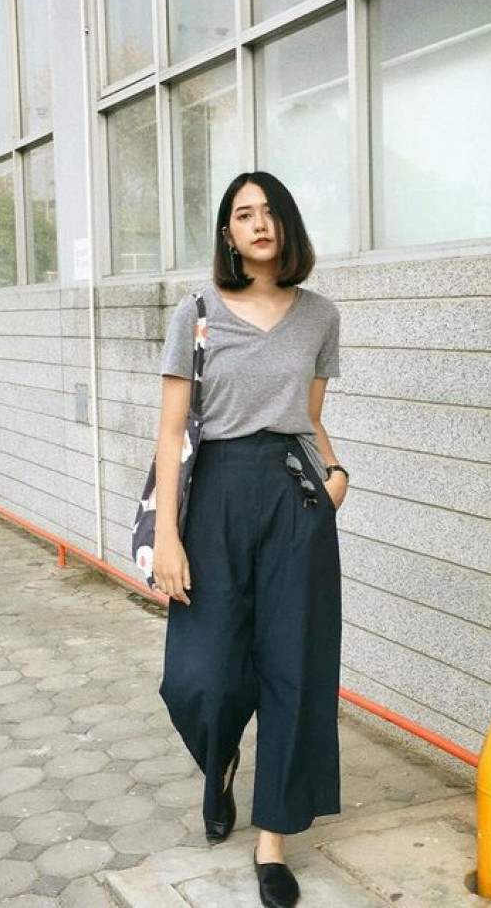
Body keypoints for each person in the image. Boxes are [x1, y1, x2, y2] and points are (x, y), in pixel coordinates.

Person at [152, 170, 348, 908]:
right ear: (228, 235)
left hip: (296, 495)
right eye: (243, 213)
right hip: (218, 496)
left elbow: (309, 415)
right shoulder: (197, 312)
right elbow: (172, 433)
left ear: (286, 225)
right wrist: (169, 535)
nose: (258, 223)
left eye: (269, 211)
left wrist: (336, 474)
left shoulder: (319, 315)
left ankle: (273, 838)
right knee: (196, 677)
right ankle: (223, 752)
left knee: (293, 666)